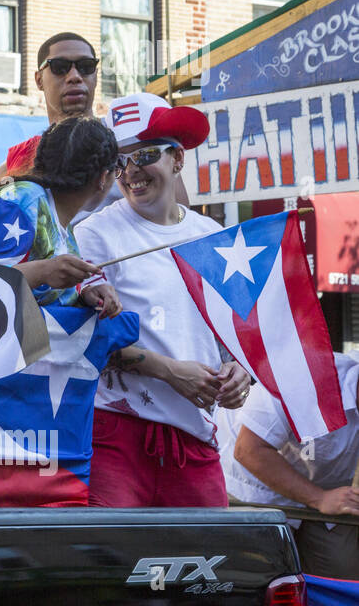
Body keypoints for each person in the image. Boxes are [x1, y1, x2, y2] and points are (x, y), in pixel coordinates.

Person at [74, 92, 252, 508]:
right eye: (120, 161)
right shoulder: (93, 234)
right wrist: (170, 371)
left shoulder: (212, 236)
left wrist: (239, 372)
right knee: (115, 567)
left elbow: (236, 334)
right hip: (116, 435)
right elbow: (85, 339)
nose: (131, 171)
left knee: (208, 568)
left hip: (195, 436)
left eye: (146, 154)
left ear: (177, 159)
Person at [0, 117, 121, 313]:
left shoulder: (58, 223)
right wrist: (43, 271)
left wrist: (85, 295)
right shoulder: (21, 202)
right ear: (103, 177)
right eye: (116, 172)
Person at [226, 353, 359, 579]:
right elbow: (249, 450)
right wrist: (319, 498)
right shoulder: (301, 375)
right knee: (265, 578)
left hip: (329, 490)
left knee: (343, 575)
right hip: (255, 486)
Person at [0, 33, 99, 181]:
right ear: (39, 80)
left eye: (86, 66)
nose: (74, 76)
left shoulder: (127, 151)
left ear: (96, 77)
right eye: (60, 67)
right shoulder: (15, 168)